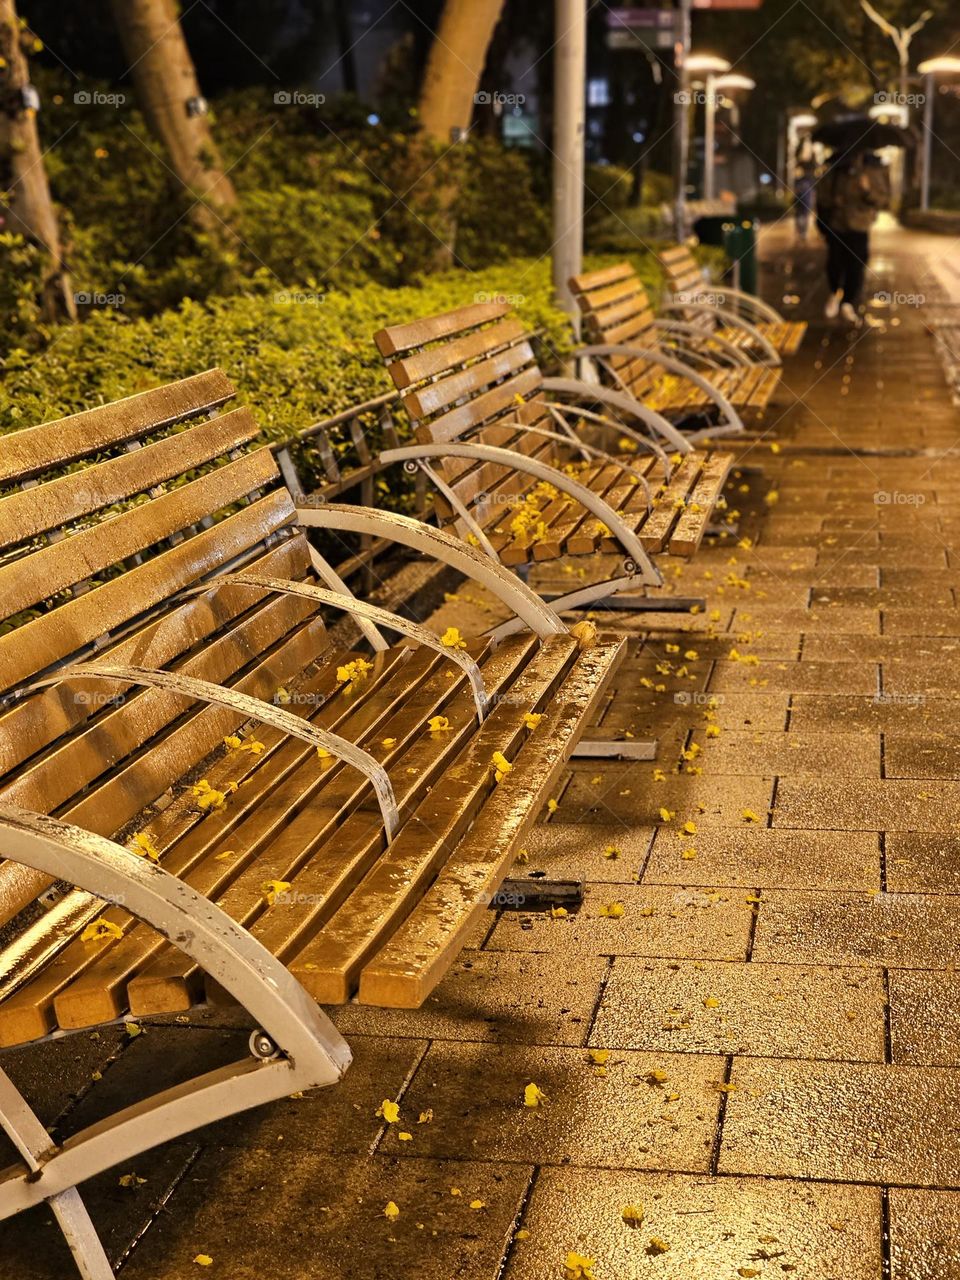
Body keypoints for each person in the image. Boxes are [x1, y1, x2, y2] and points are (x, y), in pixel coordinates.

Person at [816, 149, 891, 324]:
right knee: (834, 263)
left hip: (860, 226)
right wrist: (834, 200)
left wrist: (866, 190)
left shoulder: (873, 170)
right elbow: (822, 195)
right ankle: (835, 293)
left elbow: (883, 201)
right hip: (837, 225)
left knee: (856, 266)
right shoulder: (836, 168)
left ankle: (848, 301)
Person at [794, 138, 817, 241]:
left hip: (808, 190)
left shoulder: (812, 163)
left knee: (805, 212)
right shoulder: (799, 163)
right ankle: (800, 230)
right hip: (800, 190)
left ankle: (803, 231)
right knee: (800, 212)